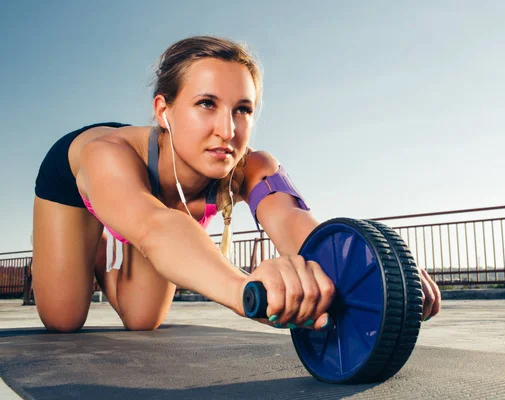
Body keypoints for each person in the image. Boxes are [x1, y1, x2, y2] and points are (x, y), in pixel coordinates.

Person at [31, 35, 441, 333]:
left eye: (242, 109)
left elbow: (300, 229)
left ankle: (109, 265)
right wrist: (242, 287)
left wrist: (379, 272)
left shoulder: (254, 167)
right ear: (164, 109)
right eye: (206, 103)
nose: (227, 131)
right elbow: (157, 229)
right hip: (79, 184)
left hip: (159, 211)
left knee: (142, 322)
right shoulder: (107, 154)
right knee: (63, 318)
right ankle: (94, 246)